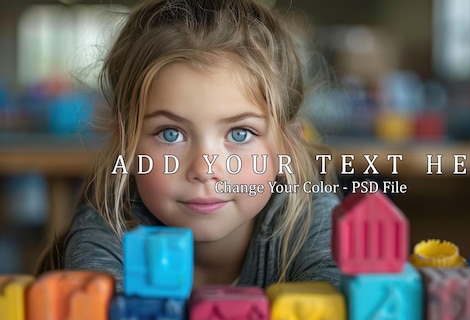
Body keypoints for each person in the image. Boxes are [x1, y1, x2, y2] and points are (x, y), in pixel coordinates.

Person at [35, 0, 342, 293]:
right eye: (170, 134)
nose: (205, 171)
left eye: (239, 134)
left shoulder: (311, 226)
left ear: (288, 145)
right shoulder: (108, 236)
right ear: (124, 142)